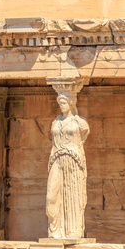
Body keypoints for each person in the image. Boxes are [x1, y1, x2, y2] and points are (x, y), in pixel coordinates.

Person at [46, 93, 90, 239]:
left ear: (71, 104)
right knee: (51, 198)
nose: (61, 105)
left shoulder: (80, 122)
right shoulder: (55, 122)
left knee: (73, 196)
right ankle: (55, 230)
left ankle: (72, 231)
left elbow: (83, 137)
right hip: (56, 159)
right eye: (60, 103)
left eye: (64, 102)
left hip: (73, 159)